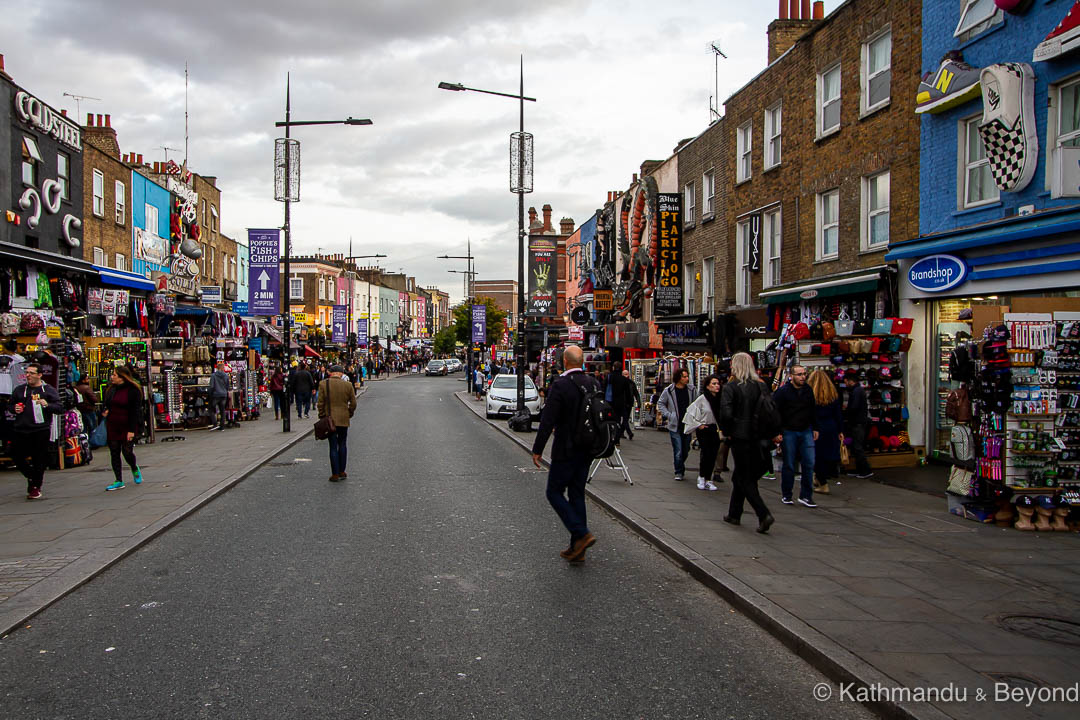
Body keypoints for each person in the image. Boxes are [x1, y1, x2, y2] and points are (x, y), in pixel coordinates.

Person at [531, 345, 597, 563]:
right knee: (577, 494)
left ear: (565, 362)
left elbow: (547, 420)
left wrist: (537, 449)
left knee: (554, 492)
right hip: (587, 448)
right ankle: (578, 549)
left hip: (566, 448)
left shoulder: (560, 385)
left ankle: (581, 533)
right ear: (582, 363)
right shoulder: (593, 382)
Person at [718, 353, 774, 533]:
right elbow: (769, 410)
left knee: (744, 478)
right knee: (740, 475)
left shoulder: (730, 387)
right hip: (758, 437)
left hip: (740, 437)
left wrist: (728, 432)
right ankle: (734, 513)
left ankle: (763, 513)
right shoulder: (762, 386)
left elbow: (725, 414)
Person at [10, 362, 63, 500]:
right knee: (15, 454)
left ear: (39, 375)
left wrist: (48, 405)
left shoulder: (48, 390)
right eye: (27, 373)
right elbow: (10, 405)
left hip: (40, 429)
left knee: (39, 458)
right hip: (21, 428)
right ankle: (31, 475)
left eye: (31, 373)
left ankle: (35, 486)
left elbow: (59, 408)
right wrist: (14, 408)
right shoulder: (19, 390)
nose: (28, 376)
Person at [772, 364, 819, 507]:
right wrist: (777, 432)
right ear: (791, 376)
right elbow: (775, 412)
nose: (803, 377)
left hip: (805, 429)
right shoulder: (783, 392)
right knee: (789, 464)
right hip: (789, 430)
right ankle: (787, 494)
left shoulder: (808, 391)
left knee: (809, 463)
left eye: (804, 374)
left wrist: (815, 427)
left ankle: (806, 495)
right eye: (799, 374)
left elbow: (813, 410)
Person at [103, 365, 145, 491]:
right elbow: (106, 404)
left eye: (114, 375)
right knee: (114, 451)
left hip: (127, 424)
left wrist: (132, 430)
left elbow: (135, 411)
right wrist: (105, 411)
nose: (112, 377)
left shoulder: (133, 390)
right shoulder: (111, 389)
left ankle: (133, 467)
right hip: (113, 423)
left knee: (127, 451)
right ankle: (118, 480)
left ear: (122, 377)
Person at [316, 364, 357, 482]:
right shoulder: (348, 385)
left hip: (330, 419)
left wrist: (322, 415)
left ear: (331, 373)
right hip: (344, 419)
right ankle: (342, 471)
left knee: (333, 446)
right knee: (343, 444)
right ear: (341, 374)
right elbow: (353, 403)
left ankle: (334, 474)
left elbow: (320, 403)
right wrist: (349, 413)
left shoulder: (323, 384)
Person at [683, 374, 724, 491]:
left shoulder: (720, 399)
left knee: (713, 454)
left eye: (717, 384)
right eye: (714, 384)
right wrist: (698, 425)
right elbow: (690, 412)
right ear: (707, 386)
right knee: (706, 453)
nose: (717, 386)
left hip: (715, 429)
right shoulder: (702, 399)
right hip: (704, 429)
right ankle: (702, 476)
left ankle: (709, 479)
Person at [657, 368, 696, 481]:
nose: (686, 378)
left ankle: (680, 464)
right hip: (675, 424)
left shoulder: (692, 390)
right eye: (684, 376)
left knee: (685, 449)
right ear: (678, 377)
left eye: (687, 376)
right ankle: (679, 471)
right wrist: (669, 415)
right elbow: (661, 403)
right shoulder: (669, 390)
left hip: (687, 424)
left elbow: (697, 403)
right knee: (678, 449)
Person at [808, 369, 843, 496]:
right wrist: (840, 430)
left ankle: (822, 482)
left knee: (816, 456)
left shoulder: (810, 395)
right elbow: (838, 414)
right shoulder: (832, 394)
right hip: (830, 427)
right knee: (827, 454)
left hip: (816, 428)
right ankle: (820, 478)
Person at [843, 369, 874, 479]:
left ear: (849, 381)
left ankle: (865, 470)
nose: (845, 384)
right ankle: (860, 470)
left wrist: (846, 413)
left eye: (845, 382)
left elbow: (854, 407)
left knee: (857, 447)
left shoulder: (856, 392)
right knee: (856, 447)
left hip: (858, 423)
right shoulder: (858, 390)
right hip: (858, 422)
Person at [620, 368, 641, 441]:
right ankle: (629, 433)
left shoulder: (631, 383)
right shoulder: (620, 383)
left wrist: (639, 402)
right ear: (622, 375)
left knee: (625, 419)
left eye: (627, 374)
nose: (626, 376)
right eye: (624, 374)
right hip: (623, 403)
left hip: (629, 402)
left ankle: (621, 433)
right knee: (625, 419)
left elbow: (636, 393)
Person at [208, 361, 229, 430]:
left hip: (216, 394)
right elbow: (227, 385)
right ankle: (222, 425)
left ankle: (214, 423)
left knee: (211, 409)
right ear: (223, 368)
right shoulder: (226, 375)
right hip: (223, 395)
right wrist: (225, 391)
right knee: (222, 410)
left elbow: (211, 386)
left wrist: (210, 394)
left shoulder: (213, 375)